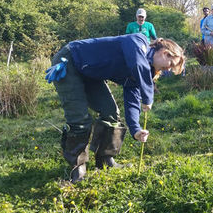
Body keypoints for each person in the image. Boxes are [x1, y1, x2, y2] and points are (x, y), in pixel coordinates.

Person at [47, 34, 186, 183]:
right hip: (71, 62)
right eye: (171, 64)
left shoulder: (144, 72)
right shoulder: (138, 42)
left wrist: (136, 130)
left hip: (91, 74)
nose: (168, 70)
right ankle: (77, 169)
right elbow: (137, 64)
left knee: (111, 112)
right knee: (79, 118)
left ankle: (106, 159)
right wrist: (148, 96)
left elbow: (132, 100)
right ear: (165, 53)